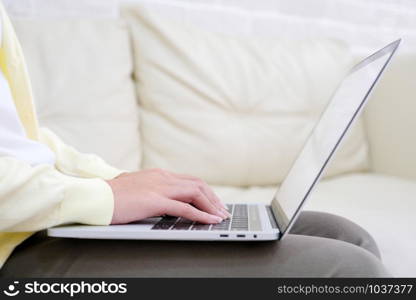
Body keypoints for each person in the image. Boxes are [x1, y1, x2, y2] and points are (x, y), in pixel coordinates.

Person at [0, 3, 389, 277]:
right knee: (349, 269)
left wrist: (117, 182)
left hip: (35, 217)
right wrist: (102, 197)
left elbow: (24, 141)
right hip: (13, 251)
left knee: (343, 235)